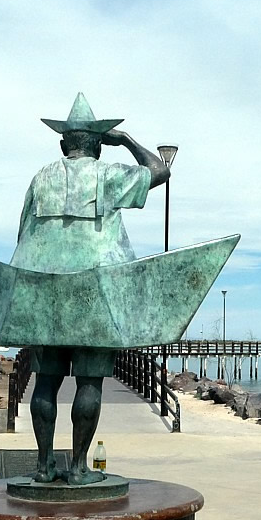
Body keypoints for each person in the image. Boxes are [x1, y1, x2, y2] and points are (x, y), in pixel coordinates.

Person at [14, 93, 170, 484]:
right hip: (97, 292)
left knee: (45, 381)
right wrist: (129, 139)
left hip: (42, 290)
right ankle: (80, 466)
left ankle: (44, 465)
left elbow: (22, 234)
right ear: (99, 144)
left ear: (63, 144)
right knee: (89, 382)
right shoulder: (109, 174)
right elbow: (160, 170)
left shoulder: (41, 178)